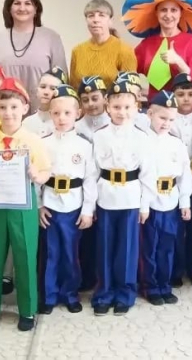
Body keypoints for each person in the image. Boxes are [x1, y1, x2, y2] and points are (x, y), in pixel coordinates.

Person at [0, 78, 51, 332]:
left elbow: (46, 171)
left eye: (14, 107)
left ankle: (27, 310)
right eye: (3, 107)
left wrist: (37, 175)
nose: (8, 113)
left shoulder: (33, 140)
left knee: (25, 256)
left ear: (25, 108)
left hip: (23, 206)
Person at [89, 80, 156, 315]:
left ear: (137, 107)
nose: (122, 112)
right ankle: (104, 292)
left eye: (127, 107)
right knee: (105, 247)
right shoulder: (99, 136)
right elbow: (92, 173)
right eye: (116, 107)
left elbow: (148, 174)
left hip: (130, 197)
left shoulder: (142, 137)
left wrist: (145, 205)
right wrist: (90, 206)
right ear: (108, 106)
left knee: (127, 249)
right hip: (106, 196)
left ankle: (125, 293)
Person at [38, 85, 96, 315]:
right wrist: (39, 205)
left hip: (74, 205)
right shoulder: (43, 143)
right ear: (50, 114)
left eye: (67, 113)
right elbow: (37, 178)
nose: (61, 118)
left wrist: (88, 210)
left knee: (71, 253)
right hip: (51, 205)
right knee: (51, 253)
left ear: (78, 114)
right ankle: (49, 295)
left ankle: (70, 294)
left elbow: (90, 179)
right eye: (56, 113)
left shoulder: (84, 145)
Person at [123, 0, 192, 119]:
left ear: (181, 13)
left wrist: (179, 62)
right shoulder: (146, 44)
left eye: (173, 10)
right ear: (156, 13)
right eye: (163, 10)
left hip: (187, 115)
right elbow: (128, 72)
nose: (168, 15)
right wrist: (136, 90)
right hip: (157, 116)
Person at [140, 91, 191, 306]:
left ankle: (165, 284)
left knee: (167, 246)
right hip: (150, 203)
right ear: (150, 114)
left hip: (170, 201)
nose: (166, 123)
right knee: (149, 246)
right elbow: (140, 176)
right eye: (162, 118)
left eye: (171, 119)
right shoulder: (142, 141)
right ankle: (150, 286)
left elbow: (184, 175)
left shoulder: (176, 144)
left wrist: (185, 202)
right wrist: (143, 205)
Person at [0, 0, 66, 113]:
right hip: (6, 114)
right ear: (9, 8)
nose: (22, 8)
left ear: (36, 9)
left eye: (28, 3)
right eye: (17, 3)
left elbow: (62, 80)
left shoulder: (51, 38)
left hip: (44, 114)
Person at [73, 75, 109, 292]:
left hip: (107, 189)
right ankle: (85, 278)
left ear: (105, 98)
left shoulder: (114, 123)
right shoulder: (75, 127)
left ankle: (102, 278)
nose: (91, 104)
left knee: (104, 236)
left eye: (95, 98)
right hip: (82, 191)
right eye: (85, 100)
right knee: (84, 237)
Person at [170, 73, 192, 287]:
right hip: (171, 186)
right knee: (174, 229)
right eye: (180, 94)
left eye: (190, 94)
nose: (185, 99)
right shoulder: (167, 121)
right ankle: (175, 269)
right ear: (173, 96)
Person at [69, 0, 138, 93]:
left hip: (113, 102)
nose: (95, 20)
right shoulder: (77, 51)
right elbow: (73, 88)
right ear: (86, 20)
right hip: (83, 102)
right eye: (91, 16)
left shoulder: (124, 49)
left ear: (110, 21)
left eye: (101, 15)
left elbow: (130, 90)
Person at [23, 66, 67, 137]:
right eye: (43, 87)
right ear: (37, 90)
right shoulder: (27, 123)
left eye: (53, 88)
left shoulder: (63, 123)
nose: (46, 92)